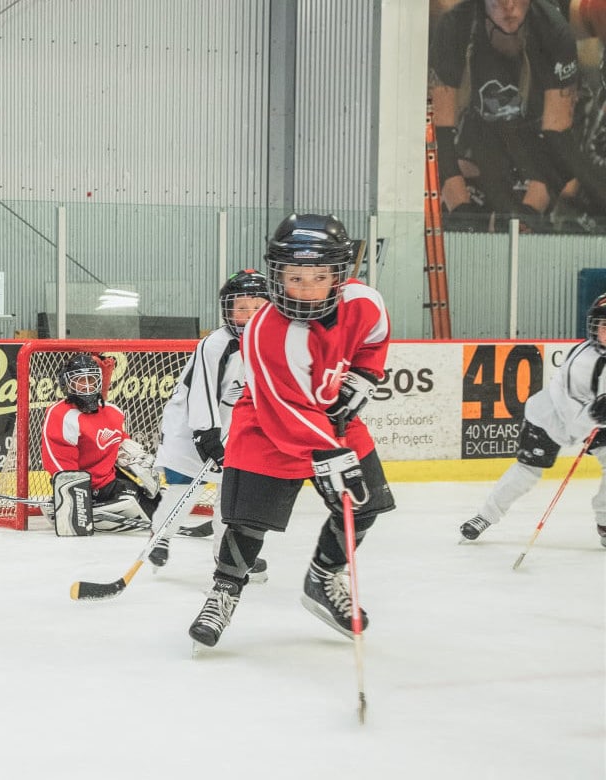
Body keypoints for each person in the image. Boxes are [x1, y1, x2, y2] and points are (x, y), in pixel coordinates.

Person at [188, 213, 395, 648]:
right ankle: (223, 592)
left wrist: (362, 377)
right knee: (248, 523)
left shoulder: (364, 302)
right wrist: (329, 454)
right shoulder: (266, 331)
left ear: (339, 276)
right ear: (276, 275)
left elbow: (374, 340)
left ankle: (323, 576)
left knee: (365, 503)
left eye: (318, 277)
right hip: (268, 424)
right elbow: (284, 408)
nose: (304, 289)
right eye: (293, 277)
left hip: (334, 420)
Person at [429, 0, 599, 231]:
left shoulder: (553, 27)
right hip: (478, 138)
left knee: (531, 218)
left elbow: (557, 135)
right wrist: (460, 209)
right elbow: (440, 130)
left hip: (537, 141)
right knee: (458, 214)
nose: (508, 6)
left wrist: (529, 212)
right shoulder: (455, 24)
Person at [147, 270, 272, 577]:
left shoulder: (269, 342)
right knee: (184, 487)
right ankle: (159, 536)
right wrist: (207, 434)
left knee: (232, 494)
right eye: (241, 308)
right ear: (227, 310)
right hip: (190, 425)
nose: (249, 315)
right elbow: (202, 391)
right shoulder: (216, 345)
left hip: (232, 426)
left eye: (257, 308)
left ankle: (225, 554)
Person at [461, 292, 606, 546]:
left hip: (595, 420)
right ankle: (485, 516)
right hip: (552, 417)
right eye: (605, 325)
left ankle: (605, 522)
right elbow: (574, 422)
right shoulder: (582, 363)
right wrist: (596, 414)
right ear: (595, 327)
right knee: (527, 471)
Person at [40, 353, 162, 537]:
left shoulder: (113, 412)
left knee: (161, 500)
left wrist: (138, 462)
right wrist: (74, 496)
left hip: (109, 482)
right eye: (80, 380)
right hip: (87, 488)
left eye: (91, 379)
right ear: (67, 383)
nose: (87, 385)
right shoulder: (61, 415)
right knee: (136, 501)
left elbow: (120, 445)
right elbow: (60, 462)